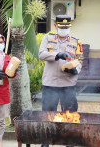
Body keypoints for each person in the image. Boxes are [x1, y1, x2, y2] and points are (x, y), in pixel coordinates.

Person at [38, 15, 83, 147]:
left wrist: (76, 70)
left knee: (70, 114)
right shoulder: (48, 38)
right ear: (56, 26)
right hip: (50, 83)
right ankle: (46, 141)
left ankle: (69, 141)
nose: (64, 29)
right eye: (61, 27)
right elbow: (41, 54)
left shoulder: (76, 42)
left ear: (69, 27)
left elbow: (79, 61)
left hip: (68, 84)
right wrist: (56, 55)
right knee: (48, 114)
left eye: (66, 27)